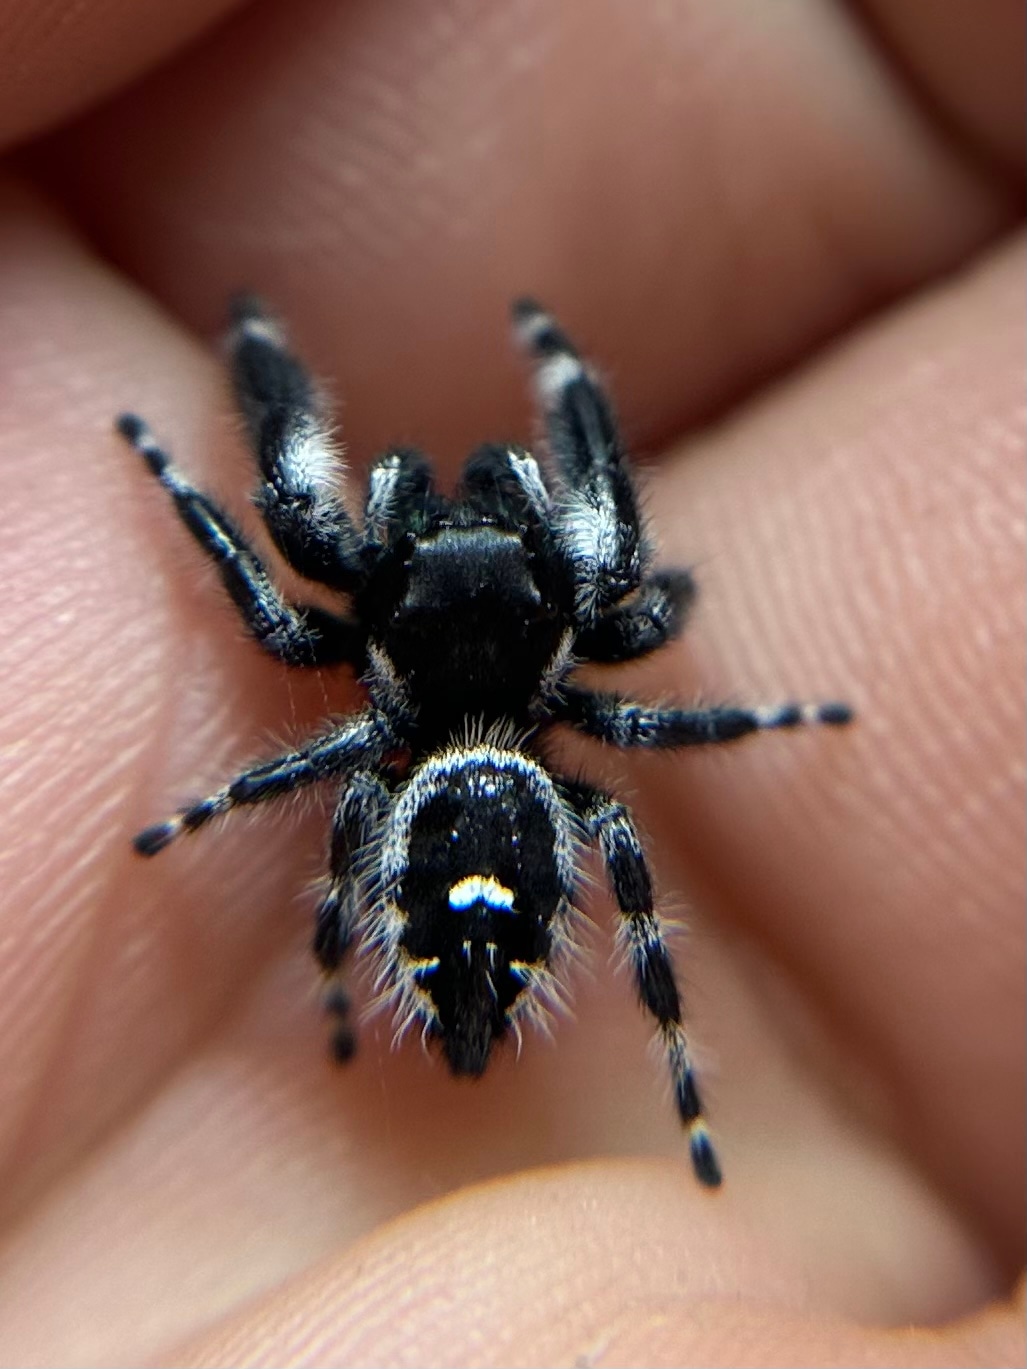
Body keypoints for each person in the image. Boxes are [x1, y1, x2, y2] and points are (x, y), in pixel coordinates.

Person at [0, 2, 1021, 1363]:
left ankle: (561, 1056)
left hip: (427, 809)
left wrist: (189, 480)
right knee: (614, 835)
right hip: (495, 804)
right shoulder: (583, 640)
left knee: (375, 790)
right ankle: (687, 1098)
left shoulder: (360, 653)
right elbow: (658, 641)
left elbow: (274, 590)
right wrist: (564, 384)